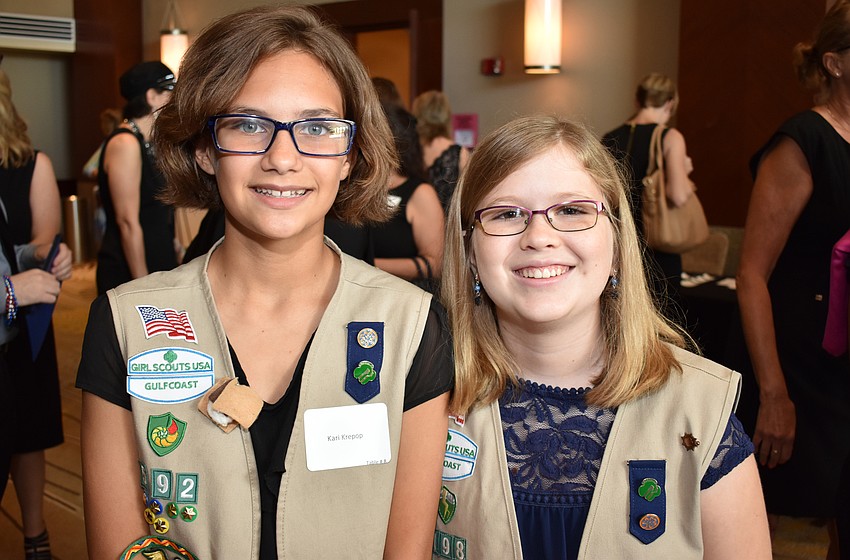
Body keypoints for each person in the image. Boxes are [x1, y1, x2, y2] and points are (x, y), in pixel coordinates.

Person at [75, 6, 452, 560]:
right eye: (249, 125)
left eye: (318, 128)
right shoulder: (124, 322)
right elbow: (119, 545)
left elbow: (408, 548)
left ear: (349, 155)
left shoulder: (412, 324)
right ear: (205, 148)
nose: (283, 158)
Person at [437, 115, 770, 559]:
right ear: (471, 253)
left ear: (616, 243)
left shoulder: (701, 410)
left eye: (572, 210)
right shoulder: (425, 399)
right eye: (506, 213)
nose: (540, 236)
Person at [737, 3, 850, 556]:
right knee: (776, 509)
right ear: (834, 62)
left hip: (847, 358)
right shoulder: (802, 141)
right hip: (803, 363)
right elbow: (751, 275)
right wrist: (774, 394)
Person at [0, 66, 73, 560]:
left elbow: (25, 246)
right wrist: (10, 289)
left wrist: (43, 259)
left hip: (23, 327)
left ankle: (35, 534)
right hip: (12, 303)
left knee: (27, 430)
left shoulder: (27, 162)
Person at [601, 73, 696, 317]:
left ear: (637, 100)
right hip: (657, 247)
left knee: (622, 318)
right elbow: (678, 195)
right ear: (670, 103)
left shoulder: (610, 138)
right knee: (663, 321)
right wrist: (684, 171)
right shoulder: (670, 137)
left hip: (619, 244)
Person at [95, 61, 178, 294]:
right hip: (131, 267)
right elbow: (127, 222)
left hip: (157, 258)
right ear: (152, 96)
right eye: (171, 92)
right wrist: (142, 285)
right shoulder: (125, 143)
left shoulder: (150, 142)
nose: (176, 100)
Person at [372, 101, 445, 289]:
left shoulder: (420, 193)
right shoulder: (353, 190)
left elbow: (435, 265)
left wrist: (368, 264)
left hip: (401, 296)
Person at [411, 90, 470, 211]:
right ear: (446, 116)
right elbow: (467, 198)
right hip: (446, 226)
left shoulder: (406, 150)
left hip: (411, 223)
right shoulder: (459, 153)